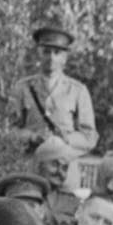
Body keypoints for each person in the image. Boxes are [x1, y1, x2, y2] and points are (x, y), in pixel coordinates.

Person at [14, 24, 98, 156]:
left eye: (57, 53)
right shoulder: (22, 88)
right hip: (33, 165)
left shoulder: (78, 91)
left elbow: (90, 137)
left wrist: (67, 139)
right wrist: (32, 136)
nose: (51, 58)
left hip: (65, 166)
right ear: (39, 54)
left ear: (65, 57)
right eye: (46, 52)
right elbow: (10, 130)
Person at [28, 139, 83, 225]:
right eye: (54, 164)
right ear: (39, 166)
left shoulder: (71, 201)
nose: (60, 172)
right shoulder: (25, 196)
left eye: (65, 168)